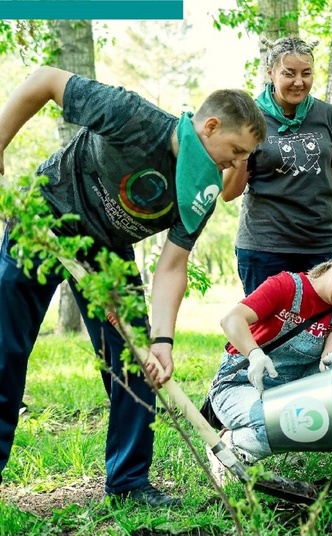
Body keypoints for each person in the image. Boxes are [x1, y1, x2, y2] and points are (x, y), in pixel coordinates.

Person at [0, 66, 267, 506]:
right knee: (5, 350)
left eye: (244, 159)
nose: (236, 166)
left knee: (138, 365)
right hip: (43, 219)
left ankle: (128, 483)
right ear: (211, 126)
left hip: (106, 251)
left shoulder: (200, 192)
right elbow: (45, 80)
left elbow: (171, 266)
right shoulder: (131, 117)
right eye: (236, 151)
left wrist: (162, 340)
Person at [205, 241, 332, 483]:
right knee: (276, 423)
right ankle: (228, 446)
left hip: (290, 389)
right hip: (240, 384)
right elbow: (232, 319)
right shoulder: (286, 286)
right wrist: (254, 354)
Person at [222, 37, 332, 295]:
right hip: (264, 247)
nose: (299, 82)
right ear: (271, 73)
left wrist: (306, 201)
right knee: (267, 331)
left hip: (322, 244)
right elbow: (229, 192)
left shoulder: (328, 115)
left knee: (325, 327)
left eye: (306, 73)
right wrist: (242, 150)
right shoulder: (249, 117)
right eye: (289, 73)